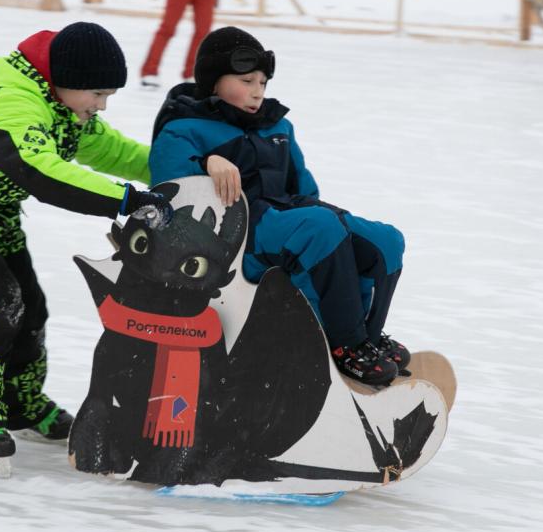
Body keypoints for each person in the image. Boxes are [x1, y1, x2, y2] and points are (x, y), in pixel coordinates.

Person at [0, 22, 171, 468]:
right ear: (67, 82)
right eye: (97, 95)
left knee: (30, 306)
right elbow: (40, 170)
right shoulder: (15, 104)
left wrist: (182, 173)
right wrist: (125, 198)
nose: (101, 107)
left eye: (108, 97)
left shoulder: (68, 110)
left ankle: (19, 406)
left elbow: (120, 153)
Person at [148, 27, 409, 386]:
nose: (257, 91)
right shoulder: (183, 128)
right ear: (213, 81)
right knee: (319, 228)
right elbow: (171, 195)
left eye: (263, 82)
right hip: (231, 239)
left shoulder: (277, 125)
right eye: (246, 80)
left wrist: (326, 220)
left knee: (385, 241)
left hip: (283, 220)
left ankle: (365, 334)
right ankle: (340, 344)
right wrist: (207, 163)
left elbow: (304, 187)